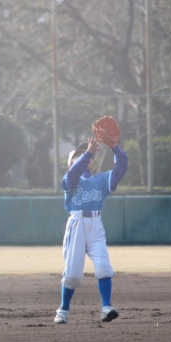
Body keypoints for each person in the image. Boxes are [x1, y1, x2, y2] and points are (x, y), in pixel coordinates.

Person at [54, 135, 129, 324]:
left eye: (87, 155)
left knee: (104, 266)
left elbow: (121, 167)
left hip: (95, 225)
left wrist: (115, 148)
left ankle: (106, 307)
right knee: (72, 275)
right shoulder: (69, 180)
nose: (85, 157)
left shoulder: (101, 180)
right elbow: (74, 173)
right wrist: (87, 153)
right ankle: (63, 309)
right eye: (78, 155)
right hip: (77, 224)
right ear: (71, 164)